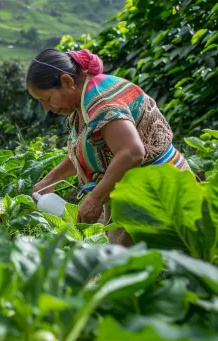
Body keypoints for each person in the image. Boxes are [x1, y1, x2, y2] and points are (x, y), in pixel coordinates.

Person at [26, 48, 190, 246]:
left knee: (130, 269)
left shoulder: (101, 102)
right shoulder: (84, 100)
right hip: (138, 191)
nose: (47, 109)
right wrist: (49, 180)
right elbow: (87, 150)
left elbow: (131, 152)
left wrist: (95, 199)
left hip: (157, 194)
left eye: (47, 99)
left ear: (67, 82)